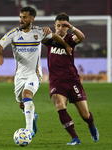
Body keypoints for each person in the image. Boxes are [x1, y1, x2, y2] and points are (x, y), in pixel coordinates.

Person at [0, 6, 72, 138]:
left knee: (26, 95)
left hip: (34, 74)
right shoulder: (13, 34)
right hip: (19, 76)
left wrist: (66, 45)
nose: (21, 20)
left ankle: (28, 130)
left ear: (32, 19)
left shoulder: (39, 32)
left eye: (24, 17)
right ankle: (33, 117)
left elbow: (54, 36)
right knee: (21, 104)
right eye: (20, 17)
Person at [42, 13, 99, 145]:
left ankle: (91, 126)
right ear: (54, 26)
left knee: (85, 115)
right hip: (56, 81)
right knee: (60, 105)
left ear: (67, 28)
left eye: (63, 26)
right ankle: (75, 138)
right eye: (58, 25)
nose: (60, 28)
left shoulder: (70, 39)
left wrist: (72, 27)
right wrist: (44, 31)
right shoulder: (50, 40)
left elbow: (81, 37)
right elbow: (42, 39)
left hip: (72, 80)